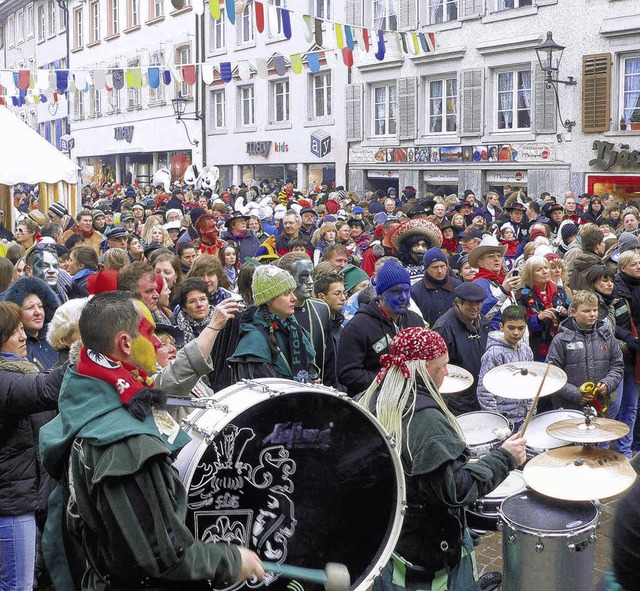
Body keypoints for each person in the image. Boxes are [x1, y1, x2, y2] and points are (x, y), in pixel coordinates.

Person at [39, 292, 264, 589]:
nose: (157, 343)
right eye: (148, 333)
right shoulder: (126, 444)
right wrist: (232, 560)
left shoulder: (88, 396)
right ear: (125, 344)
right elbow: (160, 557)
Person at [359, 327, 526, 591]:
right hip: (430, 550)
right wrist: (505, 458)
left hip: (390, 541)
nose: (446, 373)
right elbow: (455, 490)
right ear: (424, 368)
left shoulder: (372, 400)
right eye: (443, 366)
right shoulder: (425, 421)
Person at [0, 302, 67, 591]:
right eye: (15, 332)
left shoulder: (21, 368)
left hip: (24, 499)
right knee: (18, 585)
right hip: (12, 504)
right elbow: (46, 389)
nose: (24, 336)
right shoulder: (5, 379)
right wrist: (91, 353)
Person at [337, 261, 423, 397]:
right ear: (381, 293)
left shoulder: (415, 320)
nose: (403, 297)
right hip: (371, 403)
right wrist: (387, 381)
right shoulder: (358, 326)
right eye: (395, 292)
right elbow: (348, 374)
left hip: (409, 398)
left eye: (407, 291)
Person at [228, 265, 317, 382]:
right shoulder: (254, 340)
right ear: (268, 300)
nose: (294, 298)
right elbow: (262, 390)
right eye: (286, 293)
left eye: (292, 292)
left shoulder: (292, 327)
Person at [546, 291, 623, 413]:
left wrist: (607, 384)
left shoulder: (606, 336)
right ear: (573, 312)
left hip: (600, 405)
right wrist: (576, 394)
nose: (592, 314)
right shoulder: (561, 339)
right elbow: (552, 374)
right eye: (586, 311)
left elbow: (617, 365)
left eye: (595, 310)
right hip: (568, 408)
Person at [276, 253, 337, 387]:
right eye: (303, 276)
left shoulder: (321, 309)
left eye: (311, 275)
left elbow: (329, 362)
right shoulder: (274, 313)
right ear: (287, 279)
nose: (310, 281)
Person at [433, 282, 491, 415]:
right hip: (457, 401)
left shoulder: (483, 321)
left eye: (479, 303)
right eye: (471, 304)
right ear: (458, 303)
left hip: (480, 394)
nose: (476, 308)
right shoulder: (443, 328)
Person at [477, 305, 534, 430]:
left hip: (524, 418)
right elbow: (484, 391)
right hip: (504, 420)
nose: (516, 333)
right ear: (501, 327)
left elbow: (532, 385)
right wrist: (498, 422)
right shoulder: (493, 354)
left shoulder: (527, 350)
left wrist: (531, 413)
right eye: (511, 328)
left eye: (521, 328)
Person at [518, 255, 570, 362]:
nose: (544, 271)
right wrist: (538, 317)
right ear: (530, 274)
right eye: (539, 270)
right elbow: (519, 322)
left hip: (560, 342)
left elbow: (572, 312)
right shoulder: (523, 294)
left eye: (546, 268)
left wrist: (565, 313)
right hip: (536, 344)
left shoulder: (559, 291)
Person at [471, 234, 521, 330]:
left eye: (499, 255)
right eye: (491, 256)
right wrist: (503, 291)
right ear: (480, 263)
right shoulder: (479, 284)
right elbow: (480, 315)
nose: (496, 259)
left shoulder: (502, 281)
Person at [411, 248, 461, 328]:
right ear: (426, 268)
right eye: (434, 267)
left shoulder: (458, 286)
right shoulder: (415, 291)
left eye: (442, 266)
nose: (440, 271)